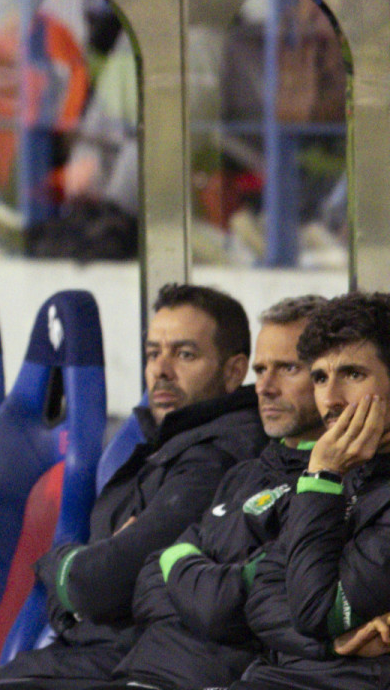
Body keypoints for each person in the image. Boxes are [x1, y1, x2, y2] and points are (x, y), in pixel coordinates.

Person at [0, 283, 265, 683]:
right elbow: (92, 585)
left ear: (234, 371)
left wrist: (56, 564)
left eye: (185, 354)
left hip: (119, 666)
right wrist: (84, 574)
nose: (162, 370)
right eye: (154, 353)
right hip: (84, 658)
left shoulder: (216, 456)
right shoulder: (169, 442)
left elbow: (97, 585)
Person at [107, 296, 327, 690]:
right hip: (141, 672)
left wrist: (183, 572)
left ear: (328, 378)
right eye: (261, 370)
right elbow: (147, 587)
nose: (266, 387)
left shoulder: (329, 487)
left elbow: (232, 610)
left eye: (288, 368)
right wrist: (199, 580)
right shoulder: (245, 473)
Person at [233, 292, 390, 690]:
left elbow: (318, 611)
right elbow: (263, 598)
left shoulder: (326, 471)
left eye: (353, 374)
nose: (331, 400)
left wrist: (322, 475)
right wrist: (334, 644)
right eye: (320, 377)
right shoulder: (342, 471)